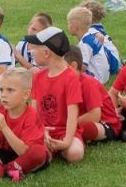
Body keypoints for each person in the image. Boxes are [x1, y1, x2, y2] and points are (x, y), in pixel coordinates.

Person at [24, 26, 84, 163]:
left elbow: (72, 115)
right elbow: (34, 112)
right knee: (35, 152)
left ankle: (59, 149)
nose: (31, 51)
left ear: (46, 53)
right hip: (43, 130)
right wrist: (41, 131)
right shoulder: (38, 77)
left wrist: (67, 141)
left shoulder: (70, 78)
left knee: (75, 154)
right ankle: (48, 151)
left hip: (65, 131)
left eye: (35, 48)